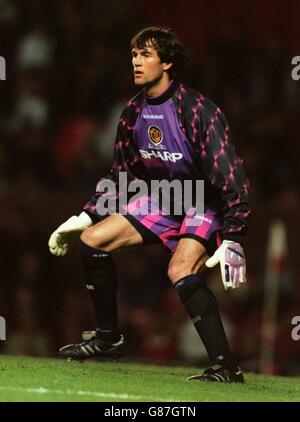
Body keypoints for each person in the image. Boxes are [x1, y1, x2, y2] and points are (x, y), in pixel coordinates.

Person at [49, 27, 250, 383]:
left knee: (179, 271)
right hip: (164, 201)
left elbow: (232, 176)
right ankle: (108, 339)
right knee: (92, 242)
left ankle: (225, 366)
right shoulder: (131, 113)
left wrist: (233, 236)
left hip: (202, 203)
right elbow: (122, 175)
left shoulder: (199, 110)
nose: (136, 62)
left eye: (146, 55)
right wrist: (87, 214)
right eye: (134, 55)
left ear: (167, 62)